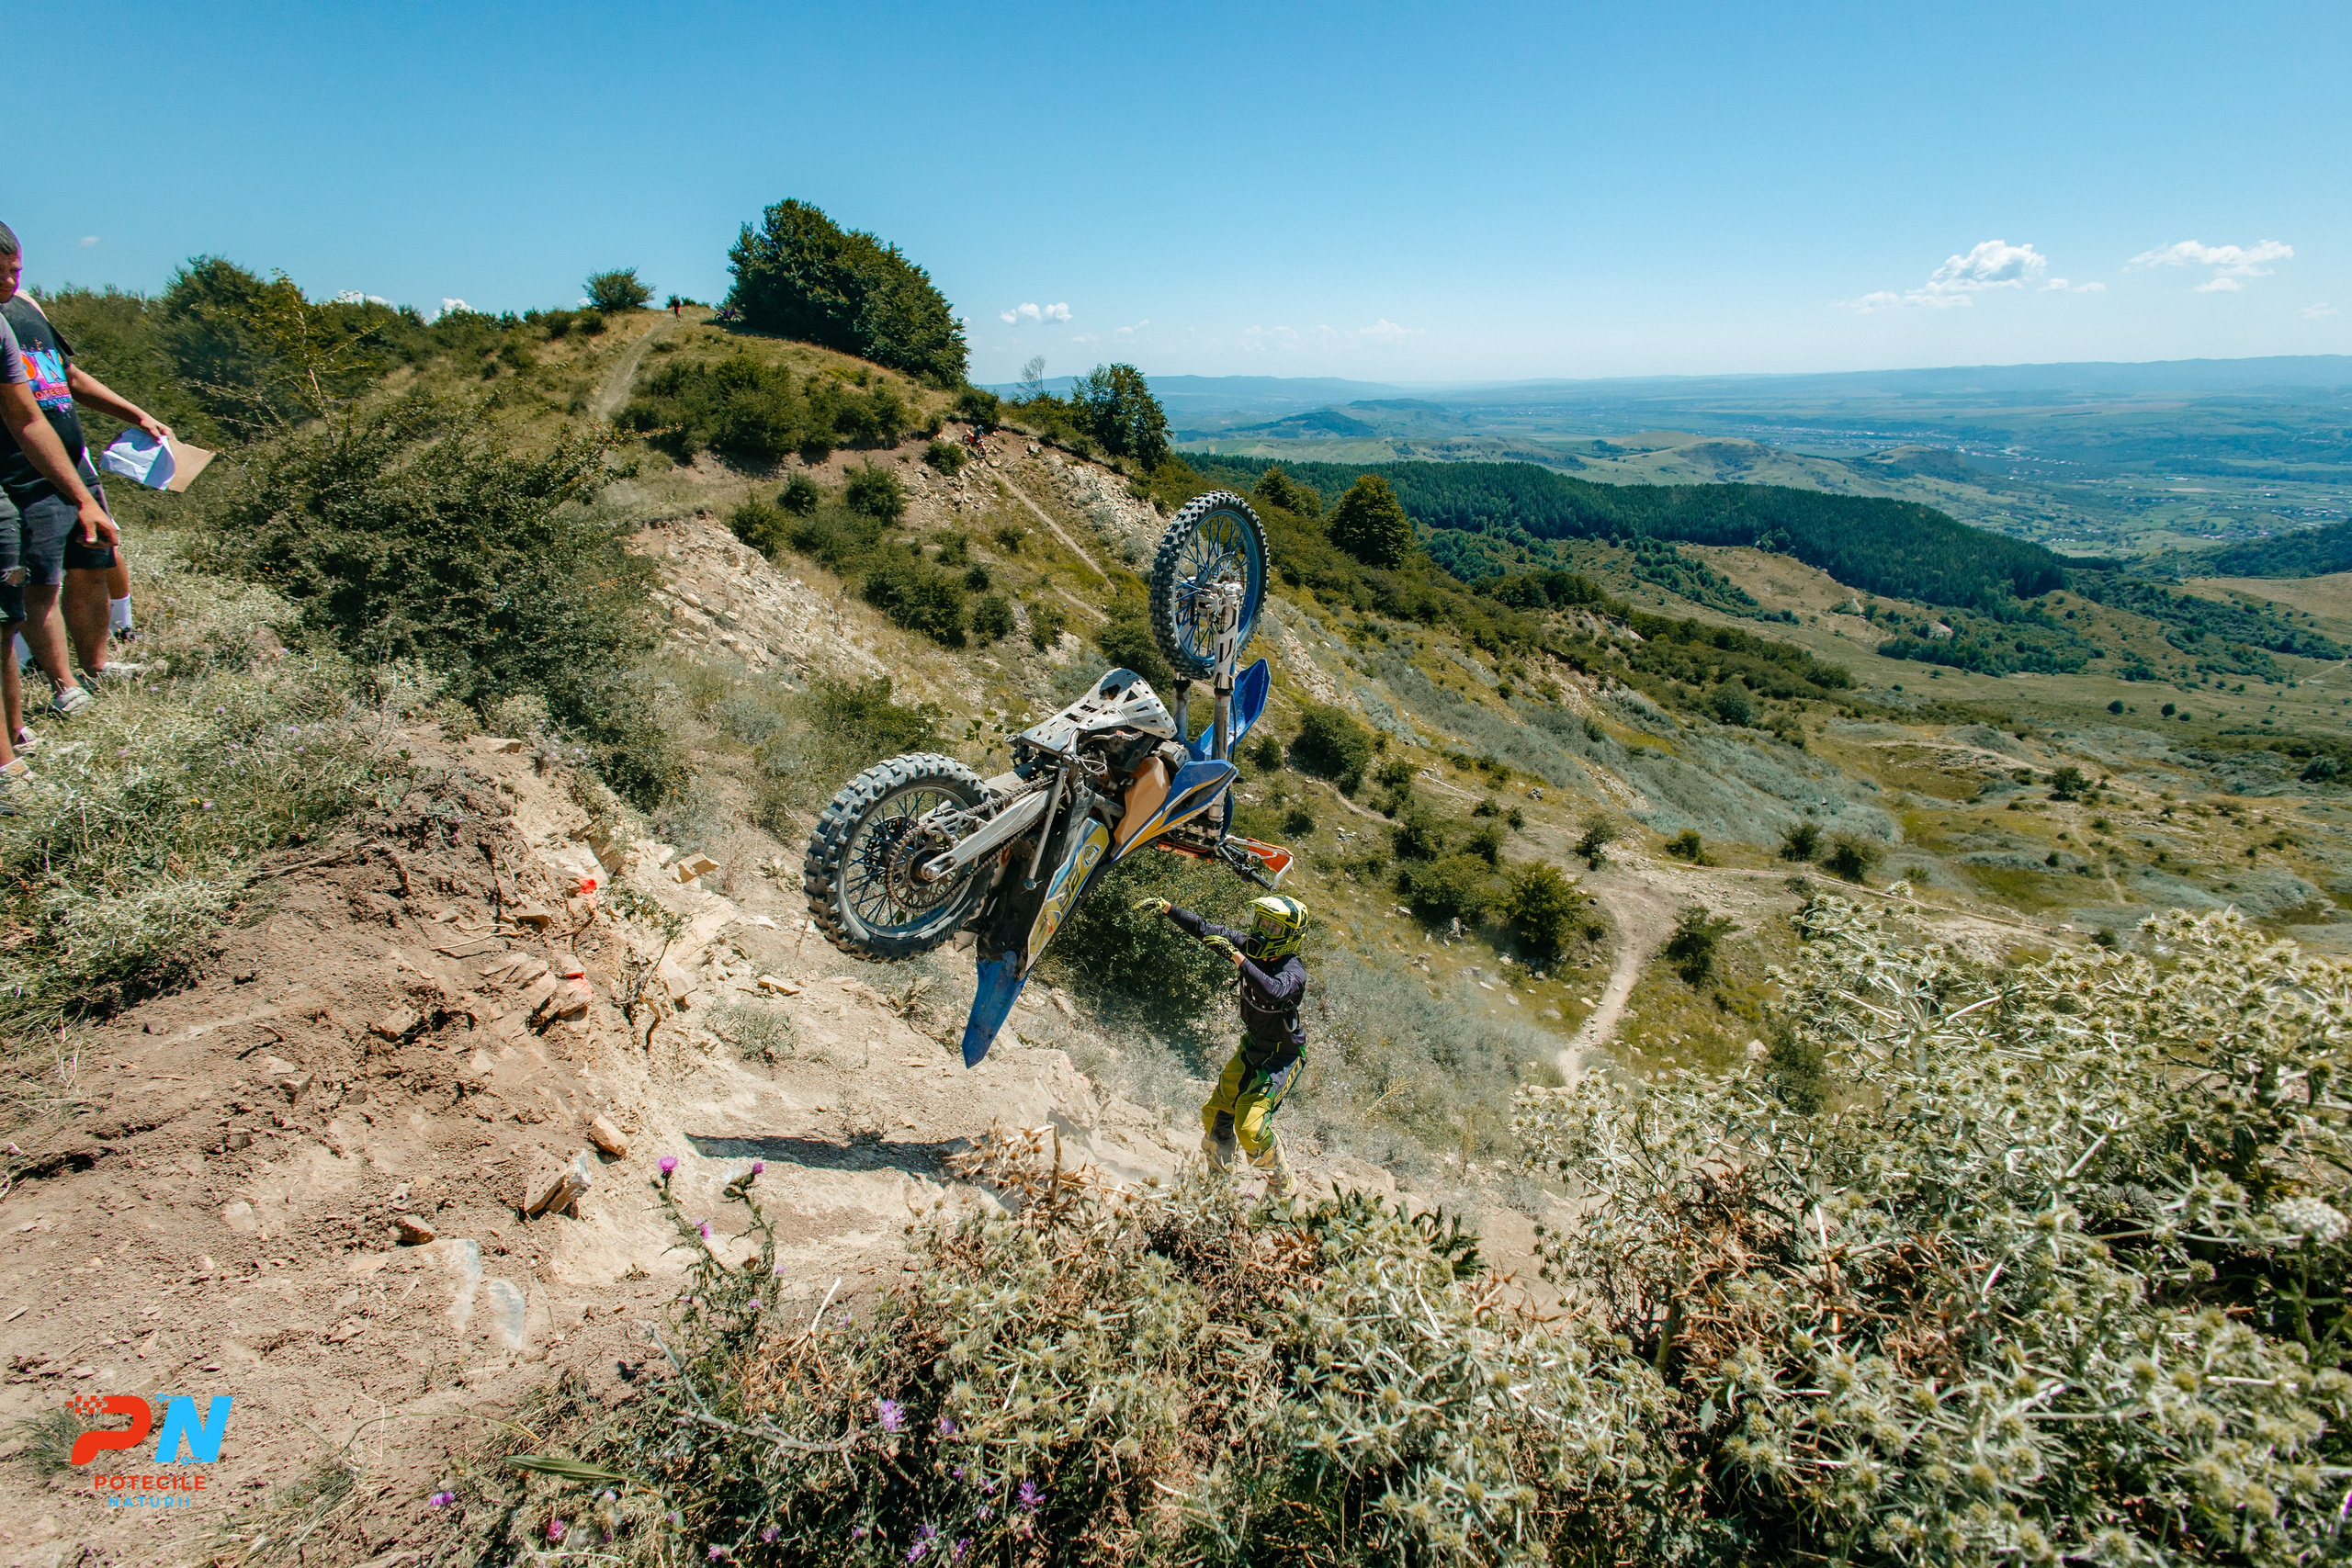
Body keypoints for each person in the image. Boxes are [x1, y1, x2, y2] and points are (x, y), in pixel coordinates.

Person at [0, 221, 169, 706]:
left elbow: (67, 376)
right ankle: (63, 686)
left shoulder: (27, 305)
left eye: (15, 271)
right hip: (22, 469)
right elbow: (22, 417)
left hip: (71, 460)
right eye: (1, 275)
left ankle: (95, 665)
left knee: (91, 561)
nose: (10, 282)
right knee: (42, 580)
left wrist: (134, 412)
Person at [0, 303, 111, 806]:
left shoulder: (10, 321)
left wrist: (83, 495)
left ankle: (13, 741)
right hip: (17, 481)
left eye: (13, 271)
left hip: (43, 471)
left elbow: (27, 416)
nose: (8, 283)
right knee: (30, 591)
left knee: (6, 612)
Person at [1135, 892, 1312, 1199]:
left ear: (1290, 936)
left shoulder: (1293, 970)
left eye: (1272, 928)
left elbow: (1274, 990)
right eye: (1261, 922)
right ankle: (1218, 1187)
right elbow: (1205, 928)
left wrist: (1238, 958)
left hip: (1283, 1056)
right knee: (1216, 1114)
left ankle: (1282, 1186)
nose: (1261, 932)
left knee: (1251, 1127)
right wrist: (1168, 908)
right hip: (1253, 1046)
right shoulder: (1246, 946)